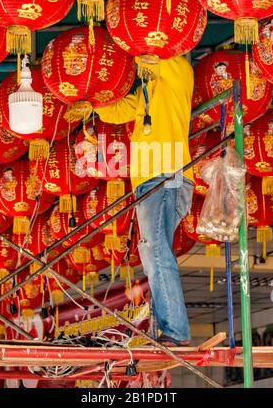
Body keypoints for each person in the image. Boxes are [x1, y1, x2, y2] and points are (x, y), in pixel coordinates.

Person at [95, 55, 194, 347]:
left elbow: (155, 61)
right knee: (152, 255)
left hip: (165, 176)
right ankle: (169, 328)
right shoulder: (147, 92)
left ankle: (175, 330)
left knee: (157, 253)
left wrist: (140, 51)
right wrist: (91, 103)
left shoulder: (179, 71)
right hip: (151, 183)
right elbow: (116, 111)